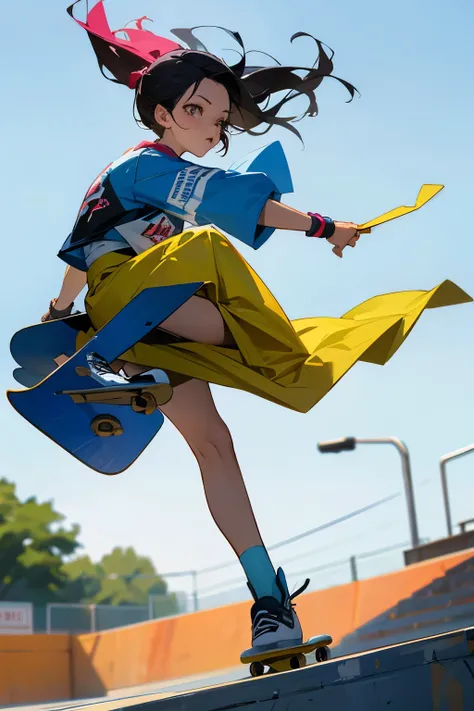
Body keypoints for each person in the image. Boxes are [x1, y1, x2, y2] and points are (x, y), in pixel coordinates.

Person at [41, 1, 470, 654]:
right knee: (207, 249)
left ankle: (268, 599)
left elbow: (74, 256)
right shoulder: (143, 166)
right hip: (128, 296)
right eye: (197, 113)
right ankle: (138, 360)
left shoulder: (138, 184)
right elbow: (234, 200)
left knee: (216, 446)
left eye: (218, 122)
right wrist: (327, 226)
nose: (212, 131)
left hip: (147, 323)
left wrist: (55, 312)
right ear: (161, 114)